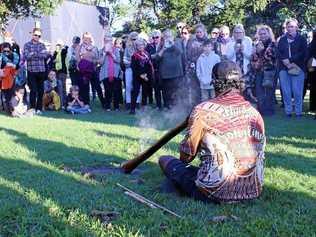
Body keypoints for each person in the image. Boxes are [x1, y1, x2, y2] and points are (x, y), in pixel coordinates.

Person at [158, 61, 266, 203]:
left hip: (215, 193)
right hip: (253, 190)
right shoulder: (255, 114)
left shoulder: (202, 111)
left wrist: (193, 124)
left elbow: (186, 157)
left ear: (215, 82)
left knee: (165, 160)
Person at [277, 19, 307, 117]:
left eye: (292, 26)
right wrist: (285, 61)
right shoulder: (282, 39)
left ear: (296, 27)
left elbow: (303, 53)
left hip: (298, 67)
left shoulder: (302, 39)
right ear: (286, 28)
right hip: (284, 68)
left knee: (297, 91)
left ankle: (298, 112)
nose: (290, 29)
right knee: (286, 91)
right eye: (288, 27)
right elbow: (279, 52)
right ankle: (288, 112)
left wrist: (290, 60)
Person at [245, 25, 277, 116]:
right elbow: (253, 59)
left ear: (269, 34)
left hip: (270, 72)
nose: (263, 35)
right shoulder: (256, 45)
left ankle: (269, 112)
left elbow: (271, 58)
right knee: (260, 93)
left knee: (269, 93)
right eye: (261, 34)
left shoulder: (273, 44)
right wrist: (256, 54)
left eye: (264, 33)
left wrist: (262, 51)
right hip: (258, 72)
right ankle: (261, 112)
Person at [157, 29, 185, 109]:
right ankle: (167, 108)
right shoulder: (161, 45)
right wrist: (163, 48)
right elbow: (157, 58)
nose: (167, 38)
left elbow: (180, 52)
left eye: (169, 36)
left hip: (176, 73)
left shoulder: (177, 43)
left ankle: (177, 108)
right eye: (165, 36)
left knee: (177, 92)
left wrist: (172, 44)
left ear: (172, 37)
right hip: (165, 74)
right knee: (166, 93)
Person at [23, 28, 49, 114]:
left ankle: (39, 109)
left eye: (39, 36)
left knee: (41, 91)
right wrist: (38, 53)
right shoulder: (27, 45)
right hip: (31, 71)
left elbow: (45, 55)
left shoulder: (42, 45)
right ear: (32, 34)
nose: (37, 37)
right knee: (33, 90)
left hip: (41, 71)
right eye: (35, 35)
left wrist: (33, 53)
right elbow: (26, 56)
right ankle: (32, 108)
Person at [77, 32, 105, 107]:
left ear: (90, 39)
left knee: (97, 86)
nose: (86, 40)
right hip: (83, 70)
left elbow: (97, 58)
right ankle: (86, 103)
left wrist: (91, 59)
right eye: (84, 38)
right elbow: (78, 58)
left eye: (87, 38)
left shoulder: (95, 47)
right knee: (85, 87)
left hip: (93, 69)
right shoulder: (80, 47)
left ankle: (103, 103)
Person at [186, 23, 209, 106]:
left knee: (206, 88)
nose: (199, 34)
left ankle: (206, 105)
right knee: (195, 89)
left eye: (200, 32)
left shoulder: (208, 41)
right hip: (194, 68)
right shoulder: (191, 42)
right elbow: (188, 55)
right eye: (197, 32)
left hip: (206, 68)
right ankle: (195, 106)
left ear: (204, 32)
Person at [130, 39, 153, 114]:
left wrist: (146, 75)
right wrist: (140, 75)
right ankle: (132, 109)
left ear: (144, 45)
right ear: (136, 46)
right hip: (137, 77)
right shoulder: (134, 56)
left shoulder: (147, 54)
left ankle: (144, 107)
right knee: (135, 92)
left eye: (142, 45)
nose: (140, 46)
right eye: (138, 45)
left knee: (145, 92)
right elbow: (133, 67)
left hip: (145, 76)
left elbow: (149, 66)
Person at [99, 33, 121, 111]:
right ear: (104, 41)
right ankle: (107, 106)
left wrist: (111, 54)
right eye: (106, 41)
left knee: (116, 90)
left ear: (112, 41)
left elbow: (118, 61)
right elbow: (100, 63)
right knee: (107, 90)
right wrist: (105, 54)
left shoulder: (116, 50)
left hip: (115, 73)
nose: (108, 42)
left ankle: (116, 106)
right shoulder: (101, 50)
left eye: (110, 40)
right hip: (105, 74)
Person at [146, 30, 164, 110]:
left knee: (164, 89)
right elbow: (148, 56)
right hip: (154, 70)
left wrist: (154, 56)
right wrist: (156, 56)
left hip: (163, 70)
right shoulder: (149, 46)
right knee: (156, 89)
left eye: (157, 37)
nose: (155, 39)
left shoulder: (164, 45)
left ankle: (166, 105)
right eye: (153, 37)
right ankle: (158, 105)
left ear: (160, 37)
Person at [123, 32, 142, 110]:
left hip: (138, 69)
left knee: (138, 86)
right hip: (129, 68)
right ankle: (128, 102)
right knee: (128, 86)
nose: (134, 41)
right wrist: (132, 63)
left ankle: (137, 102)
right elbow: (124, 60)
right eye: (133, 39)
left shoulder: (140, 48)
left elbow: (142, 59)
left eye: (136, 39)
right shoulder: (127, 48)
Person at [0, 42, 20, 113]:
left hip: (12, 78)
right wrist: (9, 64)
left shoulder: (15, 55)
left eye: (7, 51)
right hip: (3, 78)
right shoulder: (1, 56)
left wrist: (10, 64)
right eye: (4, 51)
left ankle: (12, 109)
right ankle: (8, 109)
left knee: (11, 94)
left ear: (10, 50)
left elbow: (16, 66)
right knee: (6, 95)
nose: (6, 52)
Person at [53, 39, 68, 107]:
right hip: (57, 72)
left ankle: (63, 103)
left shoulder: (63, 51)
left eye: (59, 45)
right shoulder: (56, 52)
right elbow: (53, 60)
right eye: (57, 45)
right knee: (58, 88)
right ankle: (59, 103)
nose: (58, 46)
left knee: (62, 88)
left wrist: (63, 47)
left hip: (62, 72)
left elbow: (65, 51)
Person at [307, 30, 316, 113]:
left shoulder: (312, 43)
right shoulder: (313, 43)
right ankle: (313, 106)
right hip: (313, 67)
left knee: (313, 88)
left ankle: (313, 106)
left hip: (312, 68)